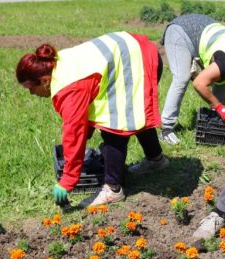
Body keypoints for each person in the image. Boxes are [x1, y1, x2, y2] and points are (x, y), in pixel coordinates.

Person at [16, 32, 169, 207]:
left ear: (44, 81)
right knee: (133, 113)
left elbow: (75, 132)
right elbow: (84, 112)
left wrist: (67, 180)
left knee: (115, 124)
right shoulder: (58, 64)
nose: (31, 94)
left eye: (31, 88)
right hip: (138, 52)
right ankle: (156, 160)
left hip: (139, 62)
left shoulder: (68, 89)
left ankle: (113, 189)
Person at [159, 14, 225, 145]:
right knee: (181, 78)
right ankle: (166, 128)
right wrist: (219, 107)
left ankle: (215, 121)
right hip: (181, 32)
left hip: (206, 30)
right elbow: (199, 84)